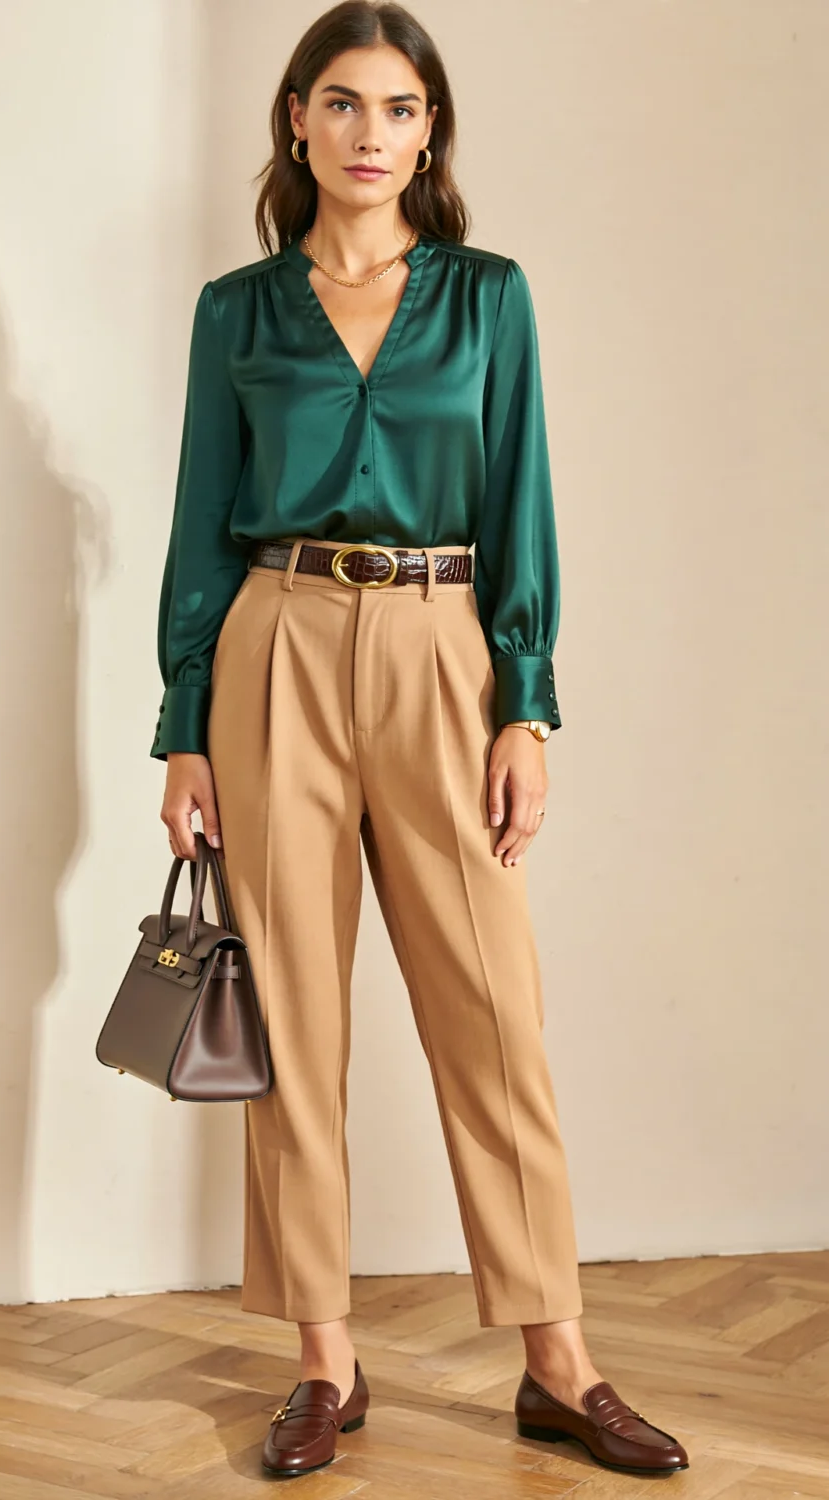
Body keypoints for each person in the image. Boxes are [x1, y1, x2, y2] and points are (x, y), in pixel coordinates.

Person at [151, 0, 689, 1481]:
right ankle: (324, 1362)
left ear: (430, 130)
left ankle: (557, 1360)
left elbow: (520, 498)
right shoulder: (237, 311)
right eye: (342, 105)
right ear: (298, 122)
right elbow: (203, 517)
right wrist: (181, 727)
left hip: (449, 651)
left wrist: (526, 698)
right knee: (293, 1025)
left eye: (398, 109)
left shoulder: (487, 297)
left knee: (492, 1015)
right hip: (275, 646)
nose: (370, 135)